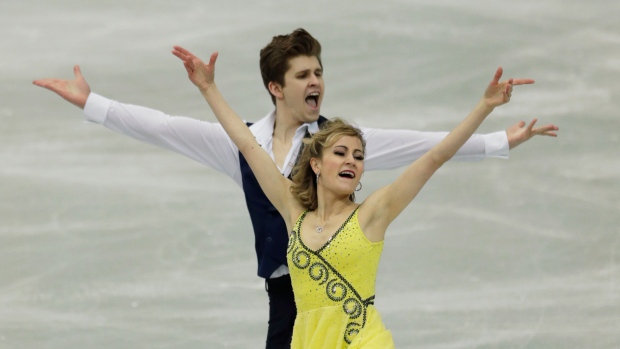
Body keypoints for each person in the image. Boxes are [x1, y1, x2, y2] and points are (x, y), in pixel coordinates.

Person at [33, 28, 558, 349]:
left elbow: (428, 151)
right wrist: (93, 103)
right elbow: (168, 128)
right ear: (276, 86)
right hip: (289, 297)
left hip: (343, 298)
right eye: (304, 74)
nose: (316, 82)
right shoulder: (251, 152)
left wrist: (495, 138)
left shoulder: (340, 143)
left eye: (320, 72)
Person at [172, 44, 547, 347]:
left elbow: (435, 156)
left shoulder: (373, 213)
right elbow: (247, 144)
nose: (352, 160)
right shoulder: (293, 212)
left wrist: (484, 107)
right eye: (340, 153)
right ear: (316, 164)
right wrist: (208, 88)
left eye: (359, 156)